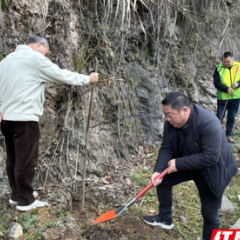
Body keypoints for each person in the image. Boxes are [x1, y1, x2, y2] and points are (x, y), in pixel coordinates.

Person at [0, 35, 99, 211]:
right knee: (26, 160)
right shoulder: (35, 59)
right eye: (45, 53)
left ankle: (16, 195)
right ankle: (25, 200)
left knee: (13, 158)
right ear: (40, 45)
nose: (45, 57)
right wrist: (88, 79)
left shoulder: (7, 60)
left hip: (6, 118)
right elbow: (60, 75)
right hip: (25, 118)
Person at [143, 93, 237, 240]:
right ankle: (165, 218)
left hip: (213, 171)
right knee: (163, 181)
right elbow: (167, 148)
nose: (167, 119)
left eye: (170, 115)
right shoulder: (171, 123)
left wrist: (179, 163)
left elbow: (211, 157)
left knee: (209, 213)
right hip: (189, 163)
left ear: (185, 110)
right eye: (165, 115)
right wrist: (157, 171)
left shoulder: (208, 122)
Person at [213, 51, 240, 143]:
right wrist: (226, 89)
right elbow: (216, 83)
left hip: (235, 97)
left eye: (228, 61)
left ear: (232, 59)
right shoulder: (218, 68)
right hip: (222, 98)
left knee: (231, 117)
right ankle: (216, 135)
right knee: (220, 117)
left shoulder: (238, 66)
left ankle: (228, 135)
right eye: (224, 62)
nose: (226, 64)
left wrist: (238, 84)